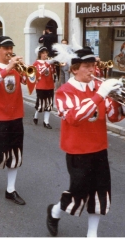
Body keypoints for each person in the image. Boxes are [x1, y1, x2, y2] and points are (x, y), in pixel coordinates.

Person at [46, 46, 125, 237]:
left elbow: (114, 117)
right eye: (87, 66)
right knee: (78, 192)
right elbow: (74, 117)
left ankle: (92, 234)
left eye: (93, 65)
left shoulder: (99, 88)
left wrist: (119, 101)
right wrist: (101, 95)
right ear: (74, 69)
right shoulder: (64, 91)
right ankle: (55, 211)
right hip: (77, 150)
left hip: (99, 148)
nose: (93, 70)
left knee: (100, 192)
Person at [0, 36, 30, 205]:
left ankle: (11, 190)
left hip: (16, 115)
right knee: (0, 154)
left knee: (15, 154)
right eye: (6, 48)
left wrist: (27, 72)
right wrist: (8, 68)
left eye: (11, 48)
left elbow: (30, 83)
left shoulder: (16, 67)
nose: (10, 51)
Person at [33, 46, 56, 129]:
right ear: (39, 54)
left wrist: (54, 65)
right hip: (41, 86)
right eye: (43, 53)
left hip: (50, 86)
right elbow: (40, 72)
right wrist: (48, 63)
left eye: (46, 52)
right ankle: (36, 116)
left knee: (49, 105)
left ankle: (46, 122)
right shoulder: (36, 63)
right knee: (40, 105)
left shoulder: (49, 62)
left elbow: (53, 73)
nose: (45, 54)